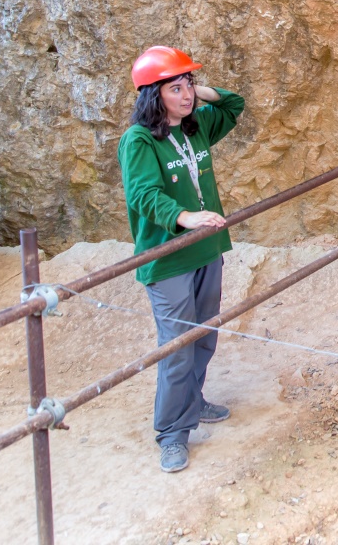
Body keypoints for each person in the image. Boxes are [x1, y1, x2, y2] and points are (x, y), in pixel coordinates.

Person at [118, 46, 245, 473]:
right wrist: (185, 217)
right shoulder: (138, 140)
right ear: (153, 95)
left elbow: (234, 104)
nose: (187, 93)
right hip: (168, 257)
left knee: (205, 335)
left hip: (207, 249)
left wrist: (197, 90)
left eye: (187, 84)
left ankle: (194, 402)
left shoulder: (197, 128)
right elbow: (144, 195)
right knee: (177, 347)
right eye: (175, 87)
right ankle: (172, 433)